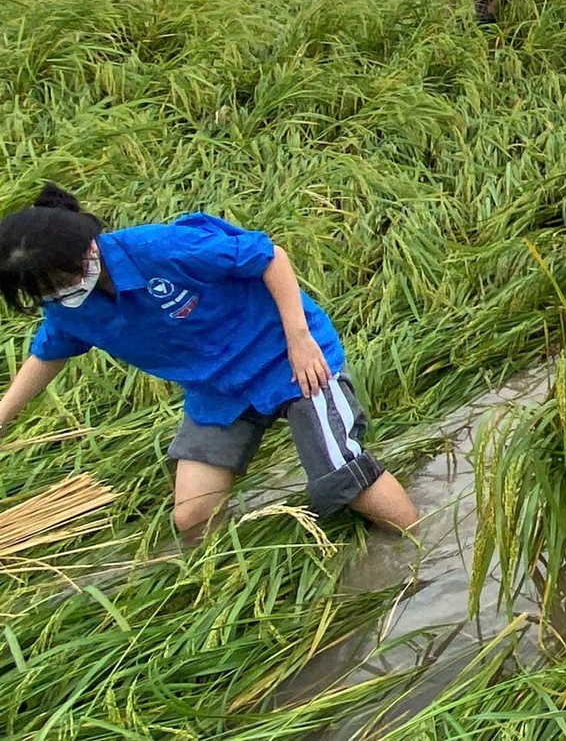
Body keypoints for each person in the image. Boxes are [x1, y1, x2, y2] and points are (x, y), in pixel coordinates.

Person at [0, 185, 418, 539]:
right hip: (218, 392)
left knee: (344, 475)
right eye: (46, 292)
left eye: (62, 281)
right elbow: (49, 351)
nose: (61, 294)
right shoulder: (68, 307)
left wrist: (300, 339)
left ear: (85, 249)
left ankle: (420, 554)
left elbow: (270, 257)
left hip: (288, 361)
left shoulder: (159, 249)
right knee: (192, 515)